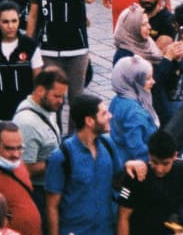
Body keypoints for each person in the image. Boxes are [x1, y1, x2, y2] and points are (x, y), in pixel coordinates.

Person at [28, 0, 98, 107]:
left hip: (77, 49)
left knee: (76, 98)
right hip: (49, 49)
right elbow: (33, 15)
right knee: (52, 99)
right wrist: (29, 44)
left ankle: (74, 127)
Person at [43, 94, 125, 235]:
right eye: (104, 113)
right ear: (89, 121)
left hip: (106, 230)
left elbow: (120, 183)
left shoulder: (108, 145)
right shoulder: (62, 156)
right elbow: (52, 206)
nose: (110, 116)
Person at [13, 67, 68, 216]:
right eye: (57, 96)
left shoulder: (46, 107)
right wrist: (56, 161)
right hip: (38, 194)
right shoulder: (27, 123)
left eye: (62, 96)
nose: (61, 102)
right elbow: (25, 168)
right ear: (40, 91)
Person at [109, 56, 158, 167]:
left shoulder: (118, 99)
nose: (153, 81)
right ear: (133, 80)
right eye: (147, 78)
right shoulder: (135, 113)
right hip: (132, 166)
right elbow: (137, 149)